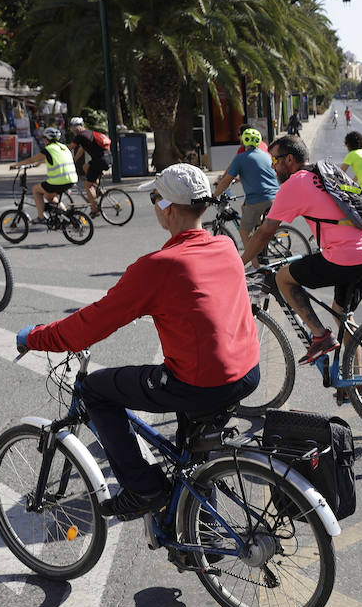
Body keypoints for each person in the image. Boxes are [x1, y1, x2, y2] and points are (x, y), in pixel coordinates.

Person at [16, 164, 260, 520]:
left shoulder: (159, 266)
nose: (153, 205)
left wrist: (37, 337)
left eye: (155, 198)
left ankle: (143, 487)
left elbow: (92, 324)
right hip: (246, 371)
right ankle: (199, 532)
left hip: (201, 382)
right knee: (192, 451)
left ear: (169, 208)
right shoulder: (224, 245)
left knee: (96, 390)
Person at [244, 135, 362, 368]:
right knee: (343, 315)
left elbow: (263, 233)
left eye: (275, 161)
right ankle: (356, 384)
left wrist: (240, 263)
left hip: (346, 257)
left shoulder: (295, 183)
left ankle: (320, 336)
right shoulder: (327, 172)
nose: (273, 167)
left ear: (289, 159)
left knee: (283, 278)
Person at [212, 127, 280, 246]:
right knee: (247, 210)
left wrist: (213, 197)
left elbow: (225, 181)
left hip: (258, 200)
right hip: (277, 197)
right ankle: (260, 239)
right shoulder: (266, 155)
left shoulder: (241, 157)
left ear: (243, 141)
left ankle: (255, 264)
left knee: (244, 232)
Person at [10, 125, 78, 223]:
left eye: (44, 139)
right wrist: (38, 164)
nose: (43, 141)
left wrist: (16, 165)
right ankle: (65, 214)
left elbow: (31, 159)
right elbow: (55, 160)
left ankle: (41, 217)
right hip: (72, 179)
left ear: (47, 139)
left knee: (36, 190)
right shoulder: (63, 147)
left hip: (58, 181)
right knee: (48, 196)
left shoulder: (49, 149)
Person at [67, 116, 112, 216]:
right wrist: (74, 160)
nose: (73, 129)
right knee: (86, 167)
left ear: (81, 126)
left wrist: (61, 154)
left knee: (87, 185)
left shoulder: (80, 136)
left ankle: (94, 209)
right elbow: (81, 150)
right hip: (107, 158)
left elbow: (70, 148)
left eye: (75, 126)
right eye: (72, 126)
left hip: (100, 161)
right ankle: (97, 190)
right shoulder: (89, 133)